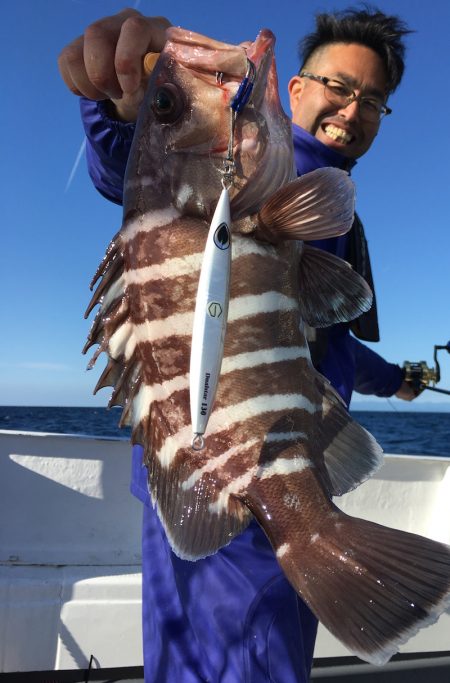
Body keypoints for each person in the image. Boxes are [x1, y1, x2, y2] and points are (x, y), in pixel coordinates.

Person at [58, 6, 415, 682]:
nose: (353, 108)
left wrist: (394, 378)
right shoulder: (270, 172)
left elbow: (328, 340)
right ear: (299, 88)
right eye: (338, 85)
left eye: (373, 100)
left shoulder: (321, 197)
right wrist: (123, 105)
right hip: (241, 479)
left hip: (245, 469)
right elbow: (129, 171)